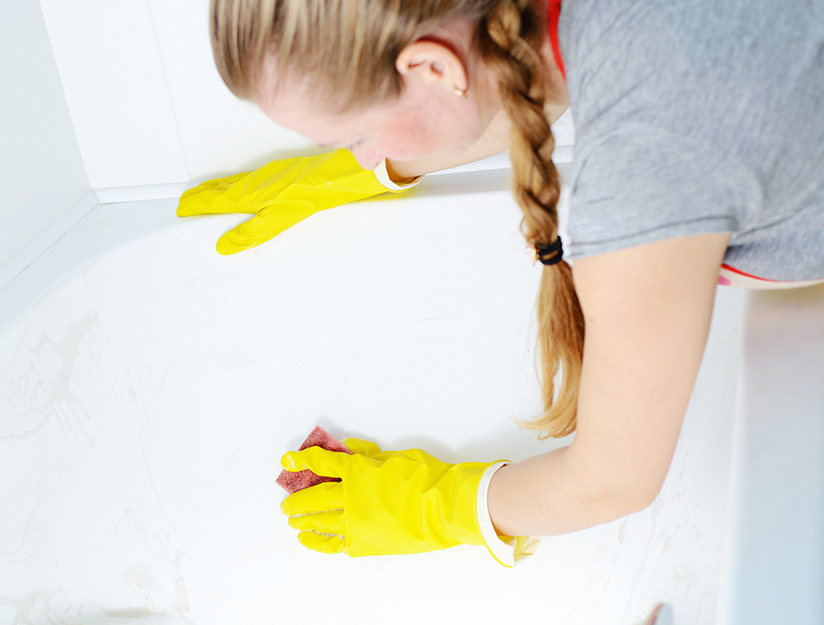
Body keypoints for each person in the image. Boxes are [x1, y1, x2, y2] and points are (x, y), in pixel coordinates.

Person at [178, 0, 824, 565]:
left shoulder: (644, 177)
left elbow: (613, 480)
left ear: (435, 68)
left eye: (360, 135)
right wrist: (369, 171)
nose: (368, 154)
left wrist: (438, 506)